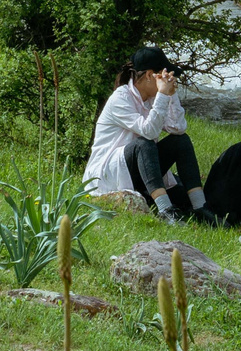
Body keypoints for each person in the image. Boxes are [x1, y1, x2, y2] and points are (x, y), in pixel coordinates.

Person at [82, 46, 220, 225]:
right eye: (165, 75)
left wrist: (170, 95)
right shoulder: (120, 98)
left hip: (142, 169)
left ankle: (201, 207)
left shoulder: (153, 97)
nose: (169, 79)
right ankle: (165, 210)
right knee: (144, 143)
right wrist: (162, 94)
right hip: (111, 174)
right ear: (149, 75)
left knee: (181, 141)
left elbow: (178, 128)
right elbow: (149, 132)